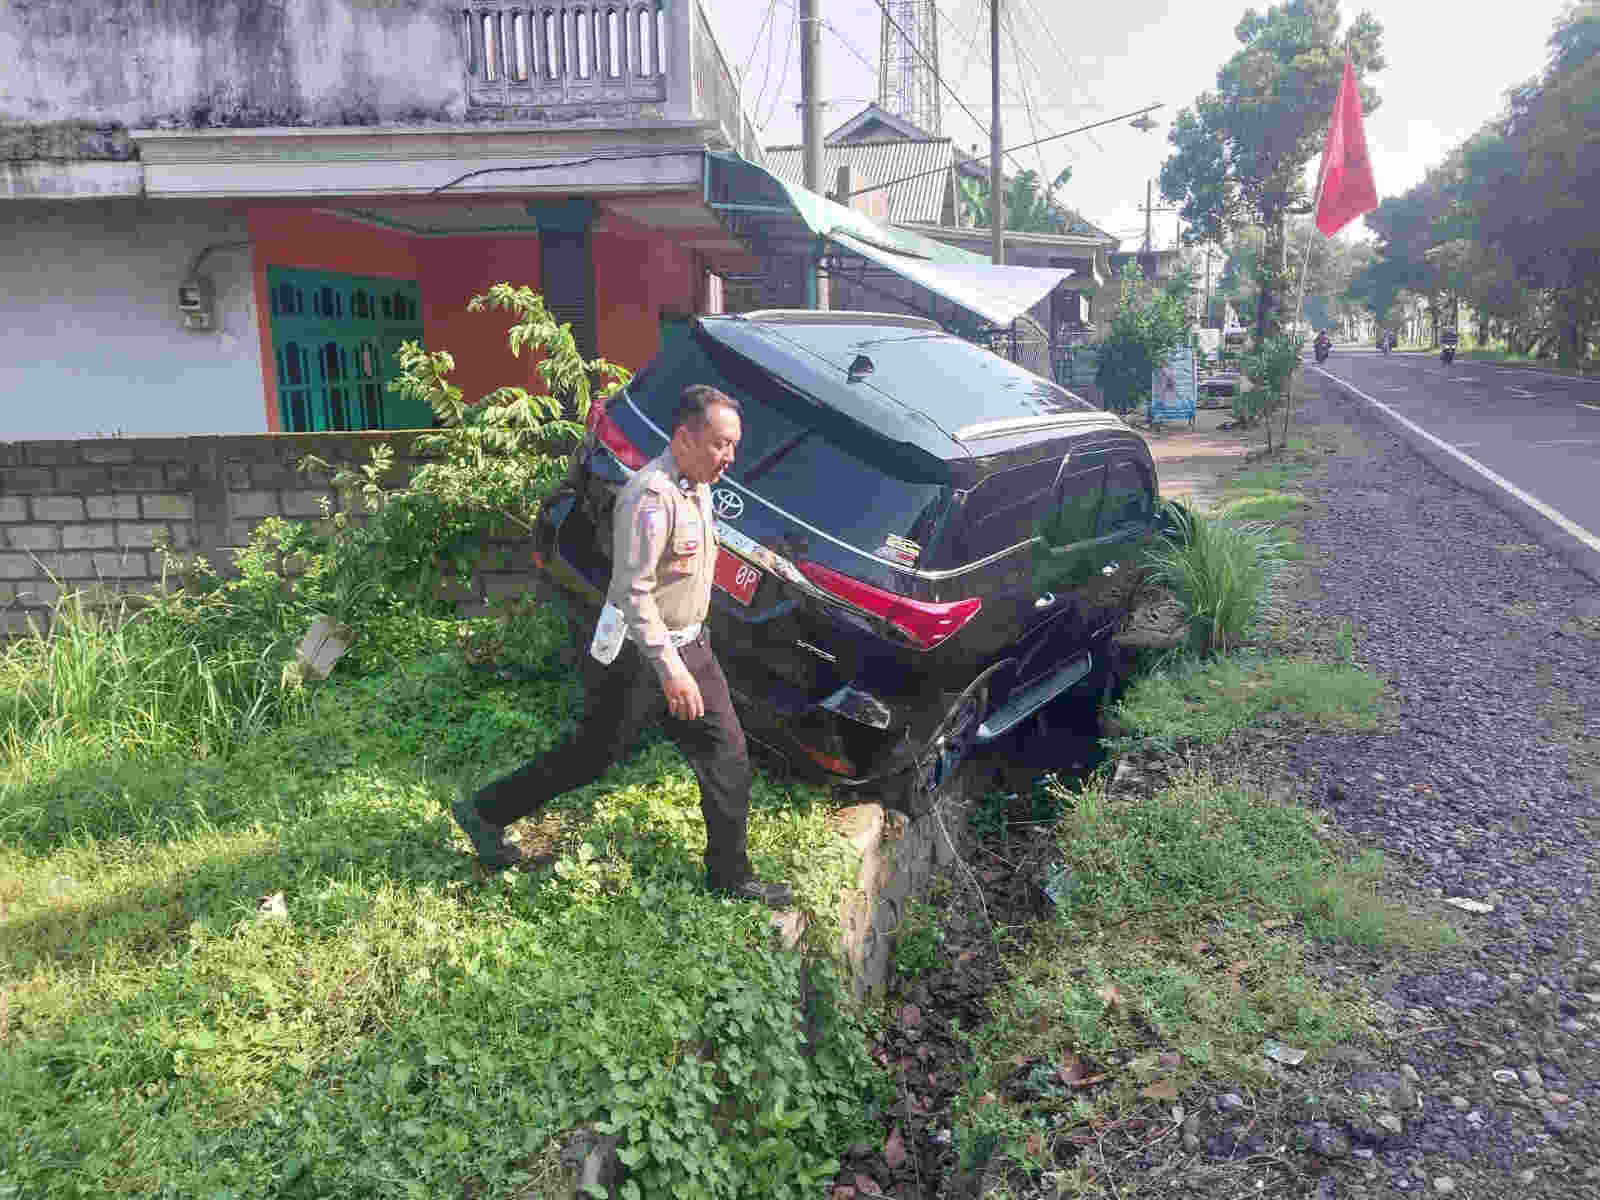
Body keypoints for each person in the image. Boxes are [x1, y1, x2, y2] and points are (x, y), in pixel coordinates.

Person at [451, 384, 795, 908]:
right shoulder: (650, 498)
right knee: (591, 756)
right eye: (720, 444)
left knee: (728, 753)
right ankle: (485, 812)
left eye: (734, 446)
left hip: (690, 649)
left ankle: (731, 874)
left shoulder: (698, 487)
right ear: (684, 438)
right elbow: (633, 591)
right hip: (640, 657)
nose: (730, 457)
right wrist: (669, 669)